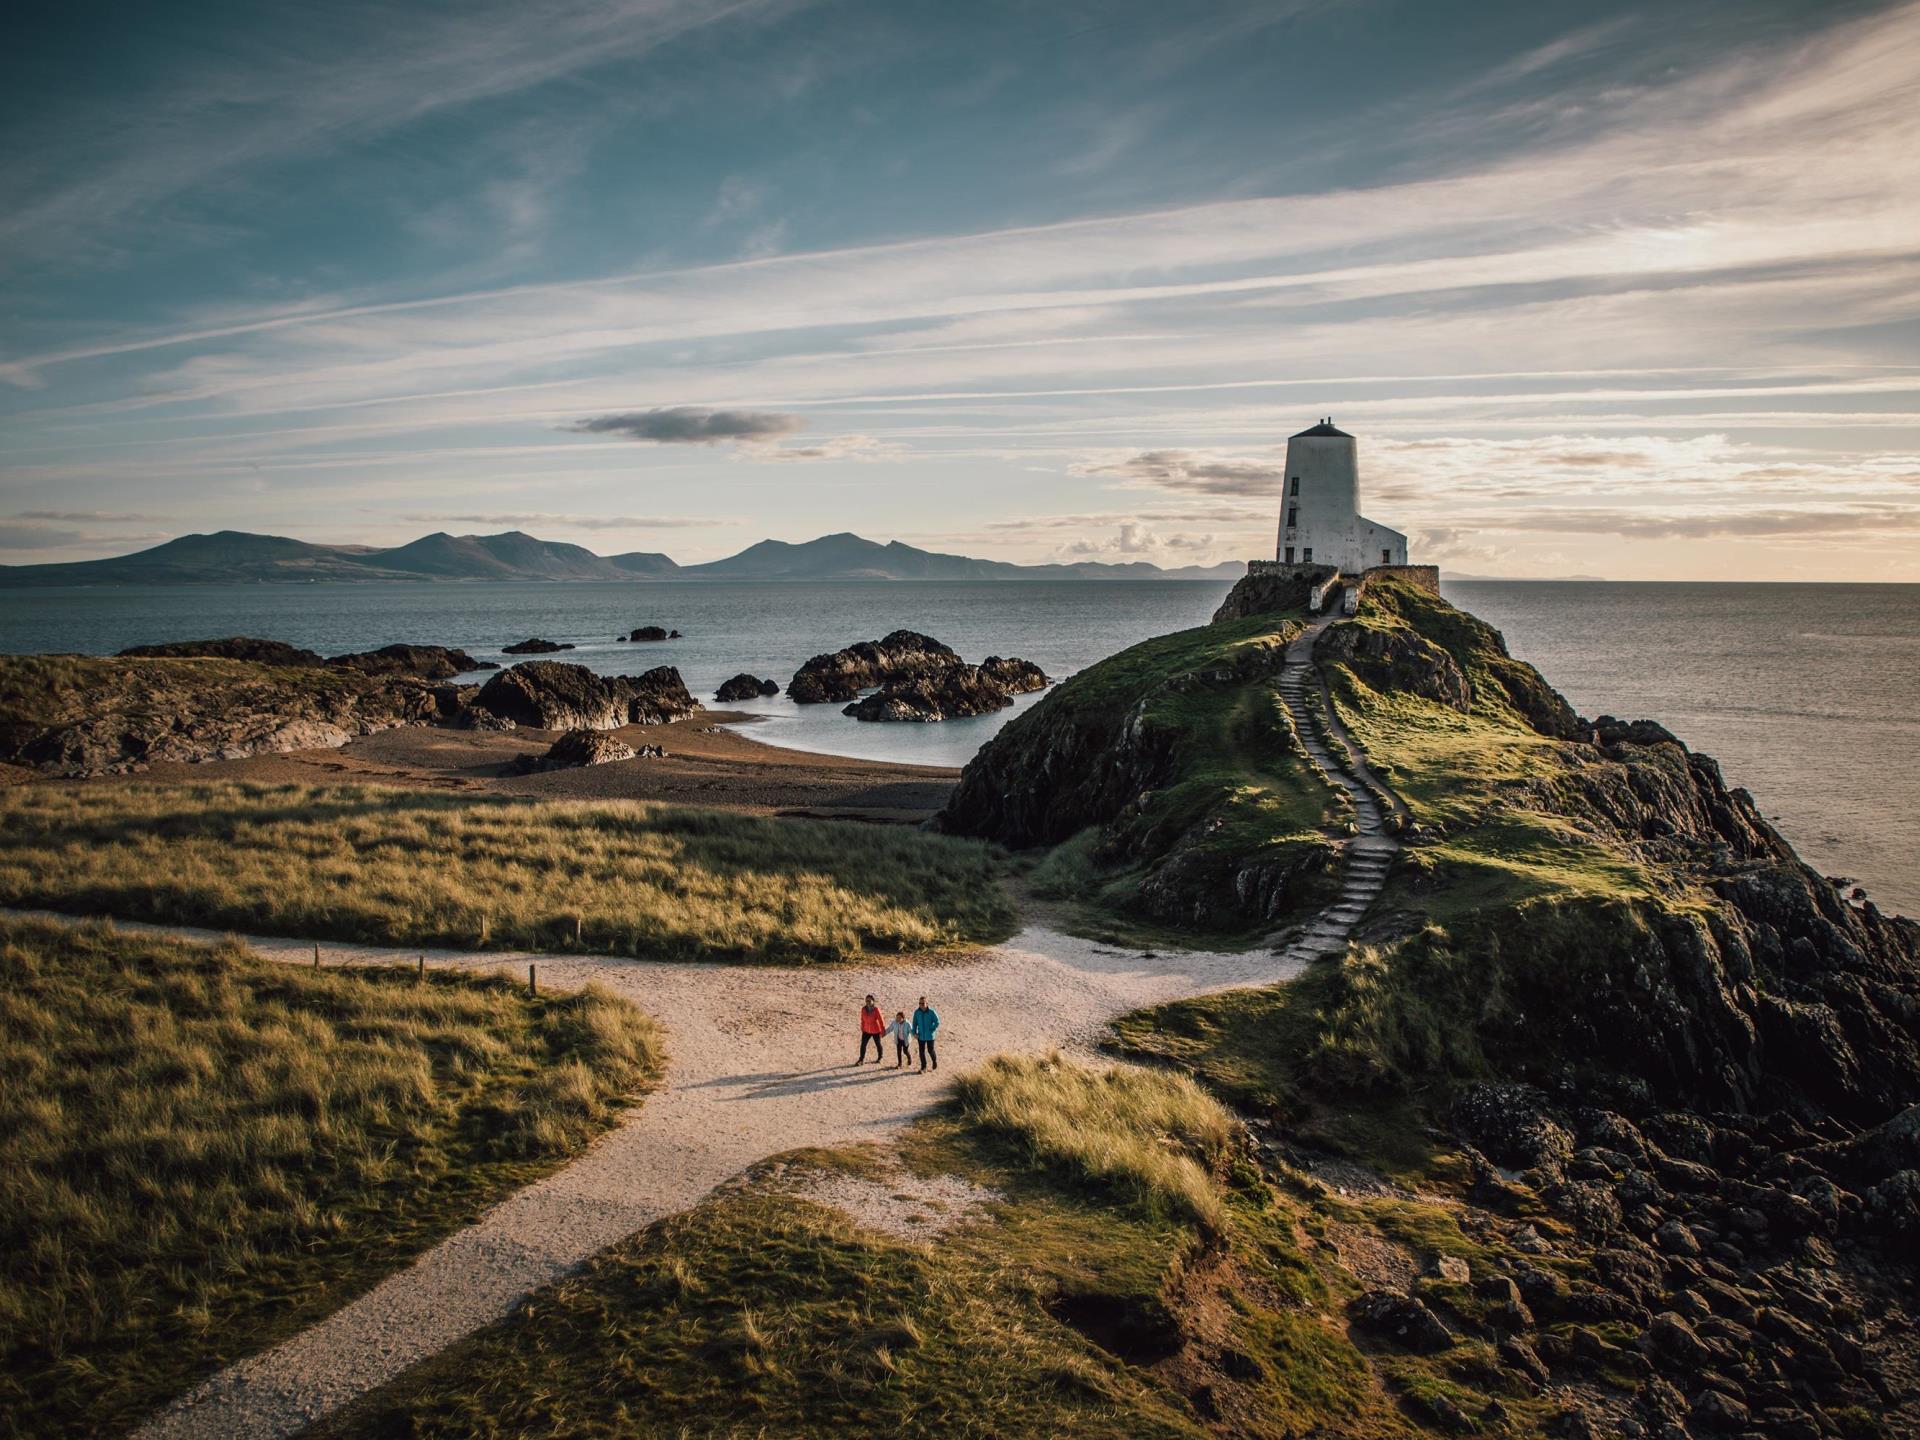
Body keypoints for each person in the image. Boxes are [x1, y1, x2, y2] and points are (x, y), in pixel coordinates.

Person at [911, 995, 940, 1072]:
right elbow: (914, 1024)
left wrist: (932, 1028)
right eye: (920, 1003)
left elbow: (937, 1022)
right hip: (920, 1036)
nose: (921, 1005)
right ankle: (923, 1067)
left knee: (930, 1050)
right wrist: (914, 1033)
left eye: (923, 1003)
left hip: (930, 1035)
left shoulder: (931, 1012)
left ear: (927, 1003)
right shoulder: (917, 1012)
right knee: (921, 1052)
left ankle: (934, 1061)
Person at [857, 994, 886, 1064]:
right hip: (866, 1030)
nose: (868, 1002)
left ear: (873, 1001)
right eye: (866, 1001)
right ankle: (861, 1059)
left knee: (878, 1044)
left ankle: (880, 1057)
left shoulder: (876, 1010)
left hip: (875, 1030)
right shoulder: (863, 1009)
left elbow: (881, 1020)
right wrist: (862, 1027)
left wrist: (883, 1030)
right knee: (863, 1044)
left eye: (869, 1001)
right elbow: (862, 1019)